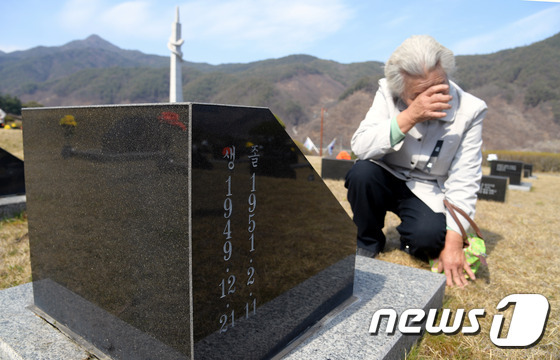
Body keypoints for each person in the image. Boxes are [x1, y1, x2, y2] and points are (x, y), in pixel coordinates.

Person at [345, 35, 487, 288]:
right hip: (384, 173)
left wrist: (453, 244)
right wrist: (409, 116)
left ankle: (410, 239)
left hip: (427, 188)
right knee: (362, 173)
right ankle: (367, 241)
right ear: (400, 90)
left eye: (440, 86)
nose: (432, 98)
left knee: (429, 240)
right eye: (419, 94)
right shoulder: (387, 92)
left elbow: (465, 178)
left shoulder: (472, 110)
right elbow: (361, 146)